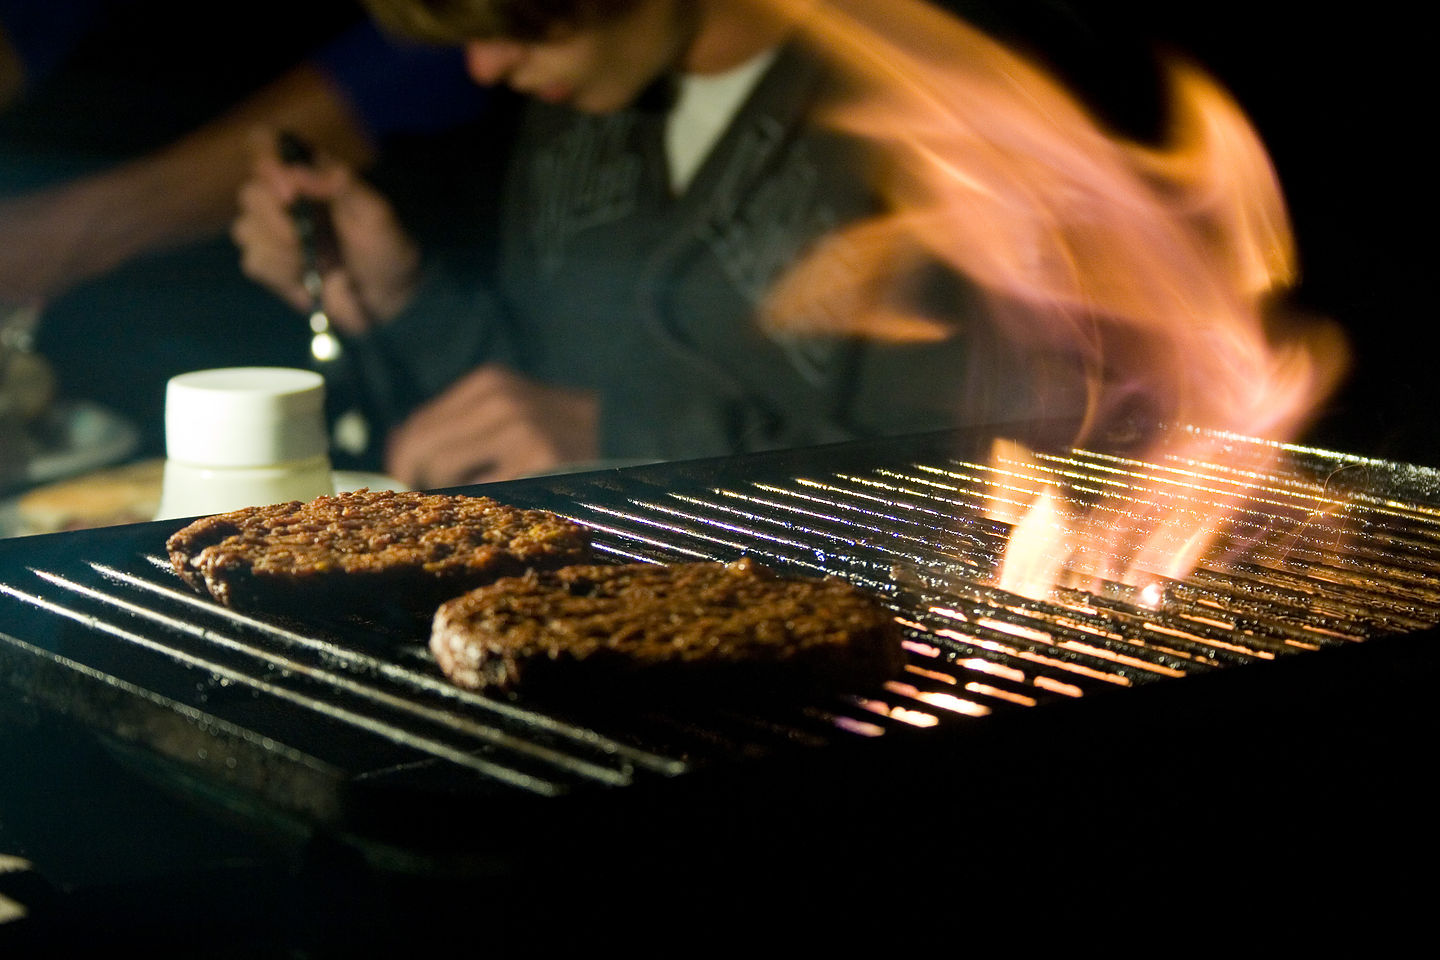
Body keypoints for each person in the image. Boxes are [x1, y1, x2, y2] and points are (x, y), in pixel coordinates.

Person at [234, 0, 982, 488]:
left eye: (520, 19)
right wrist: (404, 301)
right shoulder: (590, 97)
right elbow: (541, 400)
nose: (485, 68)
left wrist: (629, 435)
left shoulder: (942, 108)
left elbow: (1003, 473)